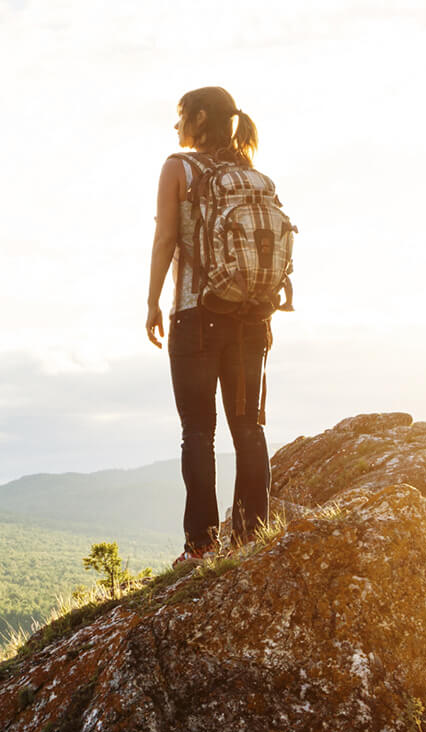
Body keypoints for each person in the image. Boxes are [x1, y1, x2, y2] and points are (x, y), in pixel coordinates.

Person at [144, 86, 271, 566]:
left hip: (197, 315)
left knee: (198, 431)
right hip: (251, 319)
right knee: (249, 427)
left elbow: (165, 238)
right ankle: (251, 538)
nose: (176, 129)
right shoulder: (250, 173)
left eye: (180, 118)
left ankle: (200, 546)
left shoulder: (179, 168)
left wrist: (153, 300)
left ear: (199, 118)